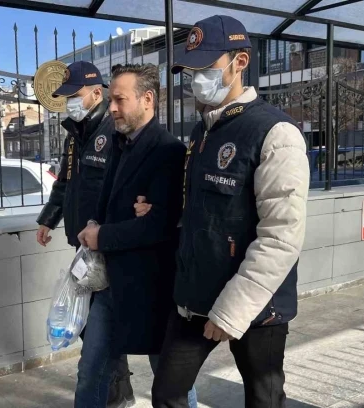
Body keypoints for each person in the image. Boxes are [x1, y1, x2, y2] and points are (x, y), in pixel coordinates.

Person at [150, 15, 310, 408]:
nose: (195, 80)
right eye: (191, 71)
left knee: (264, 398)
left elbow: (282, 236)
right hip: (194, 296)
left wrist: (231, 311)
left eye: (206, 68)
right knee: (167, 393)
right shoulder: (201, 131)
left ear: (240, 62)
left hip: (256, 307)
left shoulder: (276, 133)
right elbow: (198, 211)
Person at [77, 63, 197, 408]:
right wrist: (95, 225)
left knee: (171, 380)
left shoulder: (168, 151)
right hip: (109, 286)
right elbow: (110, 205)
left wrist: (103, 236)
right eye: (111, 100)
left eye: (120, 100)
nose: (112, 108)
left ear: (147, 100)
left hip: (152, 289)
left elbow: (160, 224)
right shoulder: (119, 143)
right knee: (90, 371)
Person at [34, 61, 135, 408]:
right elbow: (65, 182)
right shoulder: (75, 135)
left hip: (108, 247)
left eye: (74, 96)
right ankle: (118, 393)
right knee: (95, 328)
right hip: (83, 248)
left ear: (96, 92)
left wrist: (109, 235)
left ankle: (115, 394)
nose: (70, 104)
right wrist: (48, 219)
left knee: (101, 329)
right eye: (65, 98)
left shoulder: (115, 130)